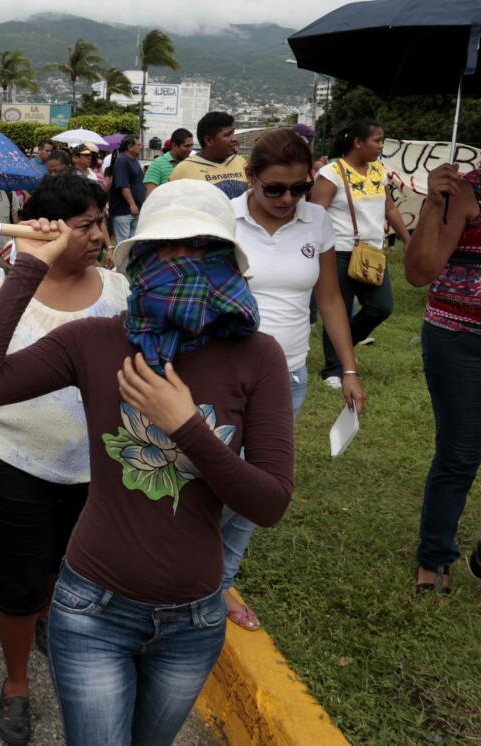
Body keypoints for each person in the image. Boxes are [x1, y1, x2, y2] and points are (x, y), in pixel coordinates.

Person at [0, 179, 294, 746]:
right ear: (144, 259)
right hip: (92, 612)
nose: (182, 263)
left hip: (194, 622)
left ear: (227, 257)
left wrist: (186, 426)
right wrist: (29, 267)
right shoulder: (97, 341)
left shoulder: (259, 357)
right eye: (165, 250)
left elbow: (269, 501)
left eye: (201, 249)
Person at [0, 174, 129, 746]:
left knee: (68, 570)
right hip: (13, 462)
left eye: (101, 221)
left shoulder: (121, 291)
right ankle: (17, 683)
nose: (98, 235)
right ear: (52, 228)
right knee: (17, 580)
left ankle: (48, 617)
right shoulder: (2, 289)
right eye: (84, 224)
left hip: (98, 470)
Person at [222, 128, 367, 631]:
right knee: (217, 481)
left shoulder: (317, 221)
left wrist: (348, 368)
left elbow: (329, 298)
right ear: (250, 179)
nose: (288, 200)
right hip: (224, 378)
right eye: (275, 189)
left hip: (288, 378)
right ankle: (185, 568)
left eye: (299, 188)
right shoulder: (225, 220)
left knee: (259, 487)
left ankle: (218, 583)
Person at [403, 162, 481, 595]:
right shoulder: (463, 191)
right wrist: (433, 204)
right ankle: (435, 555)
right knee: (460, 454)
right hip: (460, 340)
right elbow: (418, 273)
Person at [310, 119, 411, 389]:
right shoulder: (332, 173)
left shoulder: (379, 170)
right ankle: (333, 369)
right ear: (358, 143)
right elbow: (315, 213)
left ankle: (344, 347)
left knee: (381, 306)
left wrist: (407, 239)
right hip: (338, 252)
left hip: (372, 252)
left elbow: (389, 208)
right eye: (377, 140)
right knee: (339, 310)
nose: (381, 146)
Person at [169, 111, 248, 199]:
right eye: (227, 135)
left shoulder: (240, 162)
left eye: (233, 133)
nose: (234, 139)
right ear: (209, 141)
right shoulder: (183, 169)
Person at [109, 135, 146, 244]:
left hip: (135, 210)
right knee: (124, 244)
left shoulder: (134, 160)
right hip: (124, 210)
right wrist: (132, 204)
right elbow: (123, 185)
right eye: (138, 145)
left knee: (132, 243)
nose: (141, 147)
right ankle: (120, 262)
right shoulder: (122, 160)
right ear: (130, 147)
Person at [144, 128, 194, 194]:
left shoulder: (191, 163)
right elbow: (151, 194)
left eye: (191, 145)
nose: (190, 149)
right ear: (174, 145)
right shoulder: (158, 164)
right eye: (186, 146)